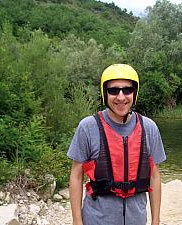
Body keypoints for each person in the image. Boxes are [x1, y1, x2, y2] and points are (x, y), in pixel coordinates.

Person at [67, 64, 166, 225]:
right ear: (105, 94)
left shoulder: (149, 128)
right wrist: (77, 222)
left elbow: (154, 176)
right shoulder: (87, 127)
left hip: (137, 219)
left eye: (127, 90)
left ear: (135, 93)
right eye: (113, 91)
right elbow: (76, 176)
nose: (121, 97)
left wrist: (156, 221)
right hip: (96, 219)